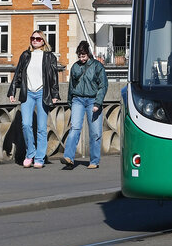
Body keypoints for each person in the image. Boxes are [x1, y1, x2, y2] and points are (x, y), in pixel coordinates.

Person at [7, 30, 61, 168]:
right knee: (26, 124)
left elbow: (54, 77)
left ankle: (39, 158)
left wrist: (55, 95)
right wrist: (12, 91)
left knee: (42, 128)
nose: (35, 41)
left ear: (43, 41)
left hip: (43, 93)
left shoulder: (49, 57)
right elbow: (18, 73)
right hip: (28, 93)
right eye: (33, 38)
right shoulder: (25, 55)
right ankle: (30, 153)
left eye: (38, 39)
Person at [62, 40, 108, 169]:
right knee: (74, 128)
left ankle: (94, 161)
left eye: (84, 56)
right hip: (78, 99)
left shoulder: (97, 66)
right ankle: (68, 157)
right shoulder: (75, 67)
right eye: (79, 56)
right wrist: (70, 102)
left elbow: (103, 86)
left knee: (95, 132)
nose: (81, 58)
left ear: (88, 54)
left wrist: (98, 103)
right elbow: (71, 85)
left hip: (93, 100)